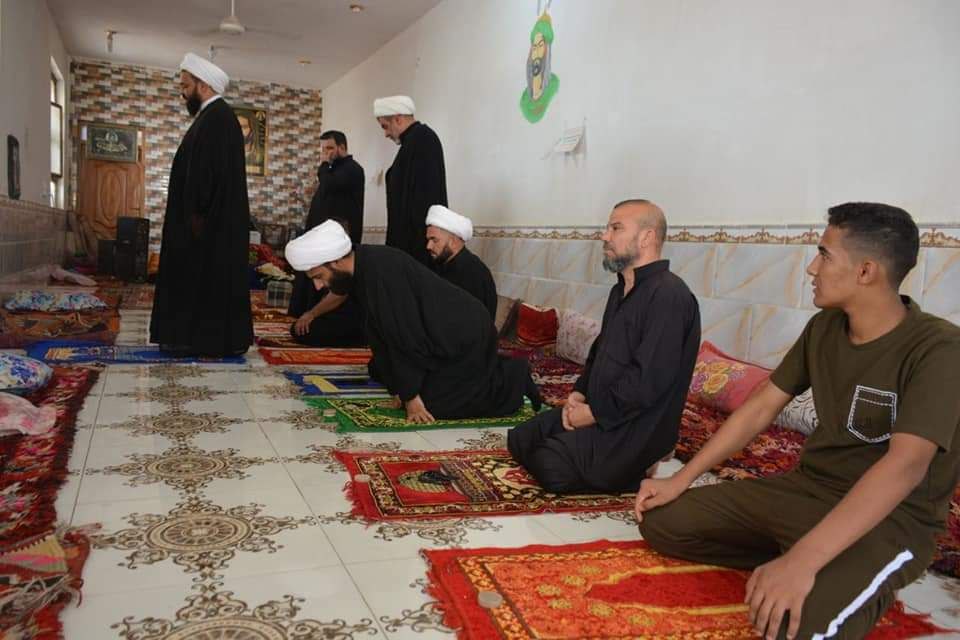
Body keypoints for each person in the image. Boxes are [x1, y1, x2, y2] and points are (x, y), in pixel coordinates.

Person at [636, 203, 960, 640]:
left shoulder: (939, 349)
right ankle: (807, 554)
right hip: (808, 491)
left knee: (796, 625)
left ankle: (849, 573)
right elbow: (761, 406)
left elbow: (906, 466)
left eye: (824, 255)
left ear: (866, 271)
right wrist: (683, 478)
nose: (812, 268)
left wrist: (803, 561)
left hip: (892, 519)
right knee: (664, 522)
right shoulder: (824, 328)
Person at [507, 200, 700, 494]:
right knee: (520, 440)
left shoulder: (669, 295)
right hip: (602, 411)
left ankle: (639, 468)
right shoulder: (619, 290)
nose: (605, 236)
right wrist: (579, 393)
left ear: (646, 237)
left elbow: (647, 381)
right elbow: (599, 353)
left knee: (550, 464)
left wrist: (594, 413)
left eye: (616, 228)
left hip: (634, 426)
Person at [284, 220, 542, 423]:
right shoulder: (364, 267)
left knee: (436, 407)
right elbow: (378, 332)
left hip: (465, 333)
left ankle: (513, 376)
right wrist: (398, 386)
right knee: (399, 381)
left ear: (336, 261)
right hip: (437, 335)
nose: (318, 286)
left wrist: (411, 397)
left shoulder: (381, 271)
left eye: (319, 276)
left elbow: (404, 337)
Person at [150, 52, 252, 357]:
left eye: (185, 85)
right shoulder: (212, 117)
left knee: (202, 280)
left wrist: (196, 217)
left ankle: (199, 340)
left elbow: (205, 174)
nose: (182, 92)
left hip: (205, 224)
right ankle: (196, 338)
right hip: (204, 221)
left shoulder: (217, 119)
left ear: (203, 85)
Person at [287, 130, 366, 346]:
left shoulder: (352, 169)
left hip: (337, 246)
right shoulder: (333, 171)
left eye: (330, 148)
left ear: (342, 147)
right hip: (324, 243)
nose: (326, 153)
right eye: (323, 149)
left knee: (332, 283)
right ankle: (308, 314)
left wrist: (323, 165)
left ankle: (320, 316)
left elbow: (330, 185)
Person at [375, 95, 447, 265]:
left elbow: (425, 200)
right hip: (409, 249)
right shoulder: (412, 142)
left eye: (385, 126)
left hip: (417, 249)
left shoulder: (423, 139)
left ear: (398, 119)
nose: (385, 134)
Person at [425, 205, 497, 319]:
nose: (428, 246)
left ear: (453, 241)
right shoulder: (442, 264)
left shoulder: (473, 273)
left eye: (434, 240)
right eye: (428, 240)